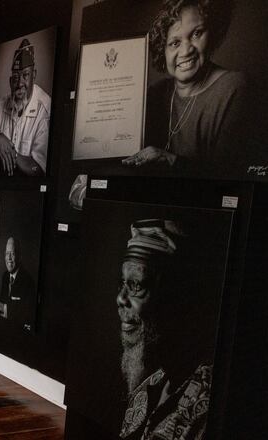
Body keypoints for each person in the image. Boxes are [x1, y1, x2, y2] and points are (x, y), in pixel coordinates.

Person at [122, 0, 252, 176]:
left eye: (196, 34)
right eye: (174, 43)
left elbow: (230, 177)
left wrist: (171, 160)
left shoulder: (235, 88)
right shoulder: (155, 94)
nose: (186, 50)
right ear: (163, 50)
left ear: (212, 33)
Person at [116, 219, 211, 440]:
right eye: (122, 283)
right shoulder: (152, 383)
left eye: (136, 285)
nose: (120, 298)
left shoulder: (207, 397)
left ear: (175, 297)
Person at [0, 38, 50, 177]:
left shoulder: (45, 109)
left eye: (25, 75)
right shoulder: (1, 103)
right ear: (10, 81)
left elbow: (38, 168)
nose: (20, 83)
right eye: (15, 77)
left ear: (34, 75)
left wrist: (10, 152)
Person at [0, 237, 36, 330]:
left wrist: (3, 308)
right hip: (4, 328)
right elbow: (3, 302)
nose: (9, 258)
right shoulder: (5, 276)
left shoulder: (28, 281)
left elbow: (27, 316)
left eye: (12, 253)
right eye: (7, 253)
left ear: (19, 256)